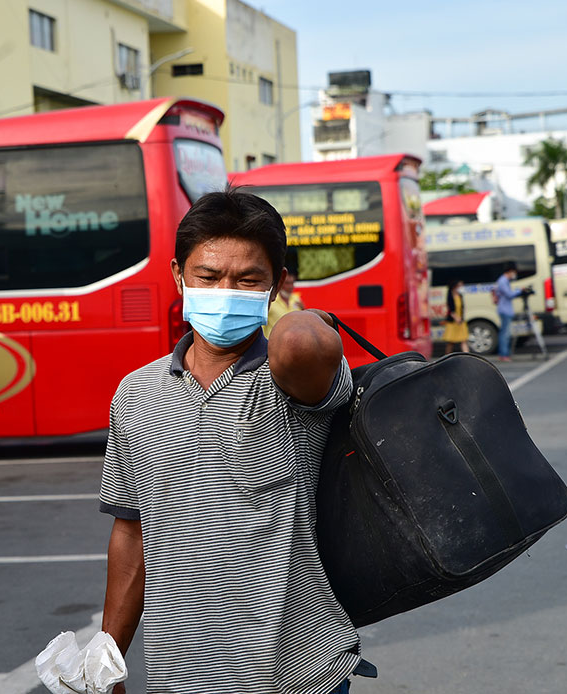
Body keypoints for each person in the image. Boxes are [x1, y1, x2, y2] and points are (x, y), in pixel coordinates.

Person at [99, 188, 371, 694]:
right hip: (177, 676)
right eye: (208, 276)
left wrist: (301, 316)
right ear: (178, 274)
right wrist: (108, 655)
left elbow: (303, 346)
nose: (226, 290)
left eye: (249, 280)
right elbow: (131, 532)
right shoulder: (136, 392)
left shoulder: (288, 381)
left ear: (277, 285)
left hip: (294, 672)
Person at [263, 254, 305, 337]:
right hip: (273, 344)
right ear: (281, 283)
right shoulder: (271, 300)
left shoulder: (296, 299)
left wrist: (304, 310)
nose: (290, 286)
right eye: (287, 283)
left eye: (292, 283)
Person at [494, 261, 523, 362]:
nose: (514, 275)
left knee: (505, 333)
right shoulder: (503, 281)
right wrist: (520, 291)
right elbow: (509, 294)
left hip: (506, 310)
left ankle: (504, 354)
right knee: (505, 334)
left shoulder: (504, 281)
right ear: (510, 271)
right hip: (505, 310)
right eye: (514, 272)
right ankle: (503, 354)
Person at [442, 279, 469, 354]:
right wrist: (456, 318)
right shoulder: (450, 296)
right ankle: (446, 357)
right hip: (453, 321)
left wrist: (460, 318)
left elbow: (462, 308)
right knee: (450, 342)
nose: (461, 287)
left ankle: (467, 355)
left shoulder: (460, 295)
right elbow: (451, 310)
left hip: (460, 321)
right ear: (455, 286)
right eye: (460, 286)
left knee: (464, 340)